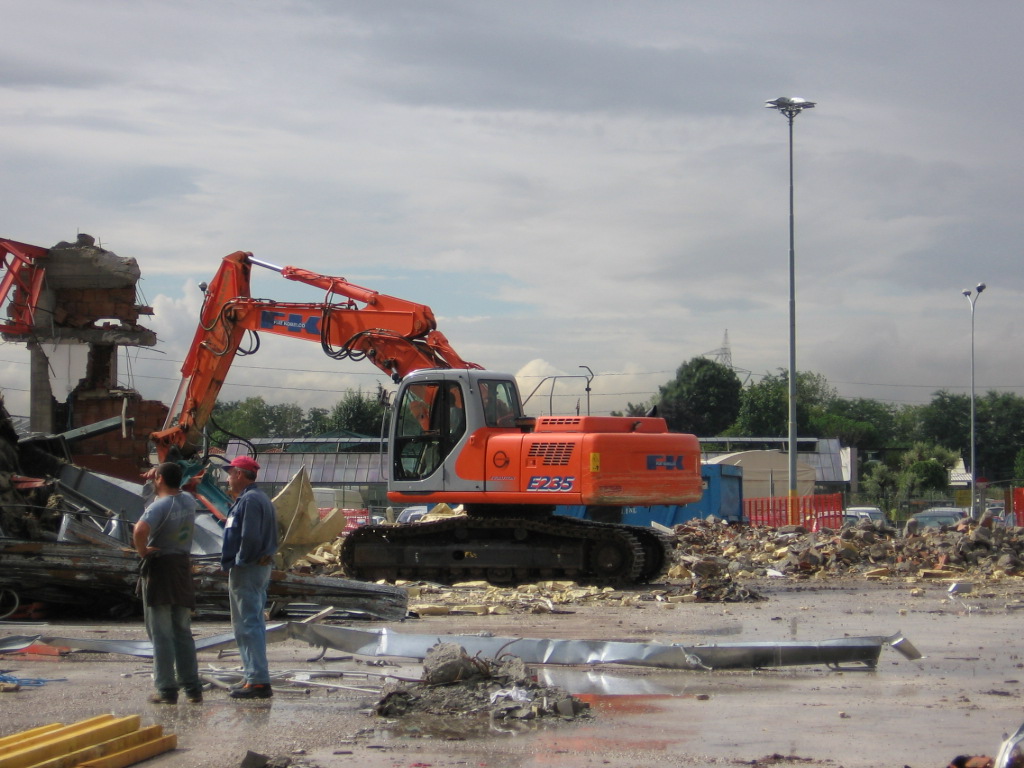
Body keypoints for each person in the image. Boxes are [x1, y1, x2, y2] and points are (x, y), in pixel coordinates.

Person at [133, 461, 203, 705]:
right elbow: (167, 491)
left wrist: (143, 552)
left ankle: (166, 688)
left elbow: (140, 529)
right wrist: (161, 475)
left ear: (159, 480)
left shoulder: (160, 505)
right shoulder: (188, 502)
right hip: (182, 566)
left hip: (161, 567)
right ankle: (192, 687)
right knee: (182, 630)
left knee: (160, 632)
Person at [221, 455, 278, 700]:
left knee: (248, 624)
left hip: (249, 568)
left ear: (240, 474)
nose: (228, 478)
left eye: (230, 473)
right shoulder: (257, 498)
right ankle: (252, 676)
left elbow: (250, 537)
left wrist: (241, 561)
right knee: (248, 623)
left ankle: (257, 681)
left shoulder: (250, 500)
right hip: (255, 567)